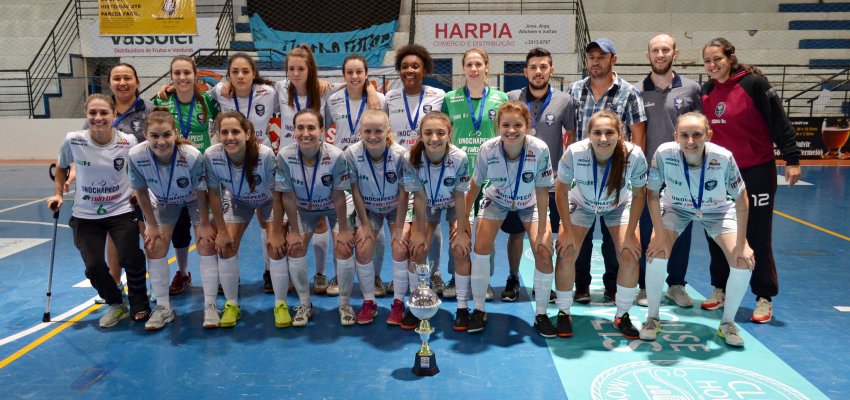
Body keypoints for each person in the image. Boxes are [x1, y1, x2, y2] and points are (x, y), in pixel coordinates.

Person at [700, 38, 801, 323]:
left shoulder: (755, 84)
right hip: (719, 173)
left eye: (717, 58)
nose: (712, 65)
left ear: (730, 57)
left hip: (756, 171)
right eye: (707, 61)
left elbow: (778, 121)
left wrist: (792, 158)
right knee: (717, 232)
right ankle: (719, 289)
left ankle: (763, 297)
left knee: (757, 234)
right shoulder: (706, 91)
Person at [643, 112, 754, 346]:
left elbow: (742, 199)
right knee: (657, 252)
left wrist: (742, 243)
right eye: (684, 135)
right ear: (676, 136)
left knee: (743, 261)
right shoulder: (664, 153)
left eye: (697, 135)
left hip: (718, 211)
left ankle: (727, 323)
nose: (690, 141)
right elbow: (652, 194)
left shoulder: (723, 158)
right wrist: (660, 235)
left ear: (708, 135)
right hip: (676, 208)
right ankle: (652, 318)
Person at [47, 94, 151, 328]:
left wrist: (137, 191)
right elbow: (62, 167)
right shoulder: (73, 140)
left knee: (130, 257)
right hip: (86, 214)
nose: (98, 117)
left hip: (121, 210)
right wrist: (59, 194)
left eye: (103, 113)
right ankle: (116, 303)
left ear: (114, 115)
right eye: (92, 113)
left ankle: (139, 302)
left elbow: (136, 171)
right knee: (94, 267)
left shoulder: (127, 141)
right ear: (86, 116)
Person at [554, 110, 647, 339]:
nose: (603, 138)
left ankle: (622, 315)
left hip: (617, 205)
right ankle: (564, 312)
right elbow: (561, 192)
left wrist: (633, 232)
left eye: (609, 132)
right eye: (597, 132)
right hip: (581, 202)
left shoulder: (633, 154)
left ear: (620, 134)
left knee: (629, 254)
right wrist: (565, 230)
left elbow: (638, 195)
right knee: (566, 252)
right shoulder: (575, 152)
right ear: (589, 134)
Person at [465, 101, 555, 336]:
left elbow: (544, 190)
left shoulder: (539, 149)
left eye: (518, 125)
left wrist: (545, 229)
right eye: (505, 125)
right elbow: (475, 184)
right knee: (480, 247)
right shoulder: (488, 149)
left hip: (530, 202)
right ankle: (478, 309)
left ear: (528, 126)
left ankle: (542, 314)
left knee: (544, 251)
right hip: (496, 200)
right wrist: (464, 220)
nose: (511, 130)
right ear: (498, 126)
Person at [567, 38, 646, 304]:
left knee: (615, 240)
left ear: (614, 58)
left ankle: (613, 285)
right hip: (583, 174)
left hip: (616, 175)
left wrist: (633, 171)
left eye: (602, 56)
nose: (595, 61)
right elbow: (569, 133)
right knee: (582, 236)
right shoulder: (575, 89)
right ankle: (581, 286)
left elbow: (638, 134)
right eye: (591, 57)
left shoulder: (628, 92)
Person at [73, 63, 156, 304]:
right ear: (109, 83)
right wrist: (73, 175)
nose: (122, 82)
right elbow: (83, 150)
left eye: (127, 78)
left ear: (137, 82)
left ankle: (151, 284)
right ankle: (115, 282)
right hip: (111, 190)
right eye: (117, 78)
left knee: (148, 235)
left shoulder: (148, 109)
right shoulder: (100, 111)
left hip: (142, 185)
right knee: (114, 237)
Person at [128, 108, 216, 330]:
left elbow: (201, 191)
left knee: (206, 244)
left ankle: (211, 305)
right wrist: (152, 226)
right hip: (165, 202)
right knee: (154, 246)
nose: (161, 141)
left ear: (175, 134)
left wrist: (204, 224)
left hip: (195, 200)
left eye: (166, 135)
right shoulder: (136, 155)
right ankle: (164, 309)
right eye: (154, 136)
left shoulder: (191, 155)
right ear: (146, 135)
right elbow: (140, 191)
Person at [634, 34, 703, 307]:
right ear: (648, 55)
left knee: (682, 229)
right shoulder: (636, 90)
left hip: (683, 173)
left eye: (665, 49)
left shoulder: (692, 89)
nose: (660, 54)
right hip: (649, 173)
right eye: (655, 50)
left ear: (675, 53)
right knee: (646, 227)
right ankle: (645, 285)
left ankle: (676, 284)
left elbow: (701, 130)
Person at [504, 47, 576, 302]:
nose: (538, 72)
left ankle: (543, 280)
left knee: (547, 234)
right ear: (525, 71)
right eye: (533, 67)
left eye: (543, 67)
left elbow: (573, 137)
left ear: (551, 71)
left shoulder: (564, 101)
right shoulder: (512, 97)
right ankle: (513, 276)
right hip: (517, 183)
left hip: (551, 183)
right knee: (516, 234)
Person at [274, 109, 353, 327]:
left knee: (344, 247)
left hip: (333, 206)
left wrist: (344, 230)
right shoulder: (284, 156)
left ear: (322, 131)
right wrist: (295, 232)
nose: (305, 133)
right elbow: (287, 196)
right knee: (295, 247)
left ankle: (345, 304)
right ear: (294, 131)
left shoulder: (336, 156)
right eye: (300, 128)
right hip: (303, 208)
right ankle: (305, 304)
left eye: (311, 128)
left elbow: (338, 196)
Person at [209, 53, 280, 295]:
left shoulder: (269, 93)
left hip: (261, 159)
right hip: (233, 161)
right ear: (227, 75)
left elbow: (301, 89)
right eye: (235, 72)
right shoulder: (219, 91)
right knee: (228, 235)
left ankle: (271, 271)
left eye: (245, 71)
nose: (240, 76)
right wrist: (167, 89)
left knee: (266, 222)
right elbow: (191, 95)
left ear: (254, 74)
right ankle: (230, 279)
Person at [441, 47, 508, 300]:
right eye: (469, 64)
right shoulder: (451, 98)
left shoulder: (500, 98)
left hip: (491, 176)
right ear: (463, 68)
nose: (474, 69)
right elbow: (444, 134)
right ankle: (454, 276)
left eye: (478, 64)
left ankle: (483, 280)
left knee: (484, 233)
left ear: (487, 67)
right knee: (458, 228)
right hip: (459, 175)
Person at [153, 56, 220, 296]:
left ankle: (218, 275)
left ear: (195, 75)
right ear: (171, 76)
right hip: (171, 173)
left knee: (208, 228)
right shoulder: (162, 100)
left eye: (186, 73)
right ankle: (182, 273)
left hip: (201, 172)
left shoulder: (207, 100)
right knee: (179, 228)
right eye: (177, 73)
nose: (182, 78)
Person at [383, 44, 447, 296]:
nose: (409, 70)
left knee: (433, 221)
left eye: (415, 66)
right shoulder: (389, 97)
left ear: (424, 69)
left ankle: (436, 273)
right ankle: (398, 276)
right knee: (400, 224)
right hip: (398, 167)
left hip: (428, 166)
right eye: (405, 66)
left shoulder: (439, 95)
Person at [204, 111, 277, 328]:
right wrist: (222, 230)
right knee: (226, 246)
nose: (229, 137)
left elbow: (278, 192)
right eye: (224, 132)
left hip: (268, 200)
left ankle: (280, 303)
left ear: (247, 134)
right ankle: (231, 304)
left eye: (235, 131)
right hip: (238, 201)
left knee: (276, 245)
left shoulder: (265, 154)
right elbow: (214, 194)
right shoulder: (211, 155)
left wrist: (277, 228)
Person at [323, 54, 387, 298]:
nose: (354, 76)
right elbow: (324, 126)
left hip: (370, 167)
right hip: (340, 167)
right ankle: (341, 273)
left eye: (359, 71)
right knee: (341, 224)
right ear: (343, 75)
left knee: (373, 225)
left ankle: (377, 276)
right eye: (349, 72)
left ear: (366, 74)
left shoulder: (379, 99)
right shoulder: (333, 99)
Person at [404, 112, 473, 330]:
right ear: (421, 135)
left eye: (440, 133)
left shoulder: (460, 157)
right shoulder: (411, 158)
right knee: (417, 249)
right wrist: (417, 231)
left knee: (461, 248)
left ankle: (462, 307)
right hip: (426, 204)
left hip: (454, 202)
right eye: (428, 133)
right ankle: (417, 301)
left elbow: (460, 197)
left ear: (449, 134)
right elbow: (419, 197)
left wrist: (461, 230)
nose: (434, 138)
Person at [344, 110, 408, 325]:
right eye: (367, 131)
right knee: (362, 248)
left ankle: (399, 303)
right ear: (360, 131)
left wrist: (398, 227)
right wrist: (364, 225)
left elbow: (403, 192)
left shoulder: (400, 155)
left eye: (378, 131)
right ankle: (369, 302)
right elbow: (355, 191)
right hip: (368, 208)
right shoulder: (352, 154)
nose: (373, 136)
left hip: (395, 206)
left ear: (388, 130)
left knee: (400, 246)